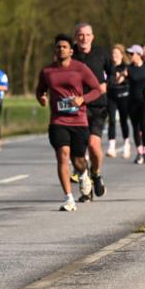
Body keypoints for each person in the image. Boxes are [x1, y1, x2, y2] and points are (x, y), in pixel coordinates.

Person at [36, 34, 103, 212]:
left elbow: (97, 90)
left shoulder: (80, 68)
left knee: (78, 160)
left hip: (79, 121)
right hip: (58, 120)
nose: (61, 50)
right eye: (58, 47)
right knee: (62, 154)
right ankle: (69, 198)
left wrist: (83, 99)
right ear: (55, 50)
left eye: (64, 47)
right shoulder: (47, 71)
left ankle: (83, 174)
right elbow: (40, 90)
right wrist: (41, 98)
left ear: (71, 51)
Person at [72, 23, 112, 200]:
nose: (84, 38)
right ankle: (86, 188)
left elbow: (113, 73)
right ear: (76, 36)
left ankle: (96, 173)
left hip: (97, 105)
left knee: (94, 146)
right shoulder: (69, 53)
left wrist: (106, 84)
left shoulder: (101, 53)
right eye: (81, 35)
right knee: (79, 150)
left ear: (92, 37)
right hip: (75, 107)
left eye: (87, 35)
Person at [126, 44, 145, 164]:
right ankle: (139, 153)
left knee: (143, 124)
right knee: (135, 126)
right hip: (132, 101)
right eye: (129, 54)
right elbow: (120, 80)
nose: (130, 56)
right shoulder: (129, 69)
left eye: (132, 54)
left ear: (139, 54)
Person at [106, 44, 132, 158]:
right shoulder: (108, 67)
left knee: (123, 120)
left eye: (116, 54)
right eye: (112, 54)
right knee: (111, 120)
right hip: (111, 95)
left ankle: (126, 143)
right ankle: (111, 146)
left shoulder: (126, 67)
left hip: (124, 95)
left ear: (122, 55)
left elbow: (125, 81)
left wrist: (123, 75)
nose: (114, 56)